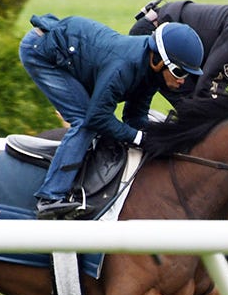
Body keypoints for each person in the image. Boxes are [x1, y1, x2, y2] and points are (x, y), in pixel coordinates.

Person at [19, 14, 204, 219]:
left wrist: (161, 138)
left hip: (73, 53)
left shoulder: (151, 73)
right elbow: (97, 118)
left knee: (98, 126)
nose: (182, 81)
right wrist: (140, 138)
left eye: (188, 75)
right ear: (158, 62)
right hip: (43, 52)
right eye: (179, 72)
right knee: (84, 123)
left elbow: (134, 118)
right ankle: (50, 197)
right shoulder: (123, 67)